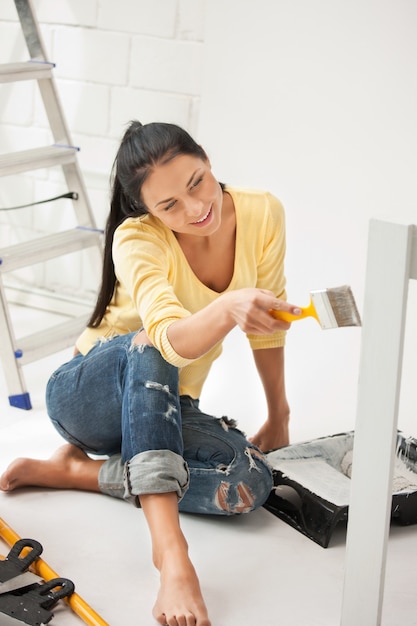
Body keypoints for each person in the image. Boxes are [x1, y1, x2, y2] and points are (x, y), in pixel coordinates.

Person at [0, 121, 301, 626]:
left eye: (197, 182)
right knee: (151, 341)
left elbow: (267, 325)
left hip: (163, 409)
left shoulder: (262, 211)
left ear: (205, 157)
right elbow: (164, 339)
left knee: (248, 483)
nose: (196, 209)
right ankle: (172, 556)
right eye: (170, 206)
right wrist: (228, 306)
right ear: (147, 210)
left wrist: (279, 414)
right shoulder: (136, 238)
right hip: (88, 399)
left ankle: (79, 472)